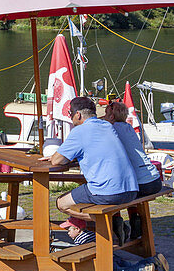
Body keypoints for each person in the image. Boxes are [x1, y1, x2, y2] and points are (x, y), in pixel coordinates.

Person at [48, 96, 138, 242]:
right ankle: (111, 221)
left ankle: (106, 221)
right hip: (131, 189)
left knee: (61, 203)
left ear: (78, 115)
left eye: (71, 114)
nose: (71, 118)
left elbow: (57, 160)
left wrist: (55, 156)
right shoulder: (107, 125)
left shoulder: (79, 131)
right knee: (89, 194)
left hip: (108, 191)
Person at [104, 100, 162, 240]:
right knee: (129, 189)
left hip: (141, 183)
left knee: (111, 192)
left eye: (105, 114)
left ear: (111, 117)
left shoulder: (111, 130)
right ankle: (135, 220)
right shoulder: (128, 128)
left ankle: (117, 222)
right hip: (154, 179)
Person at [56, 218, 169, 271]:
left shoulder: (79, 241)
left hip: (105, 261)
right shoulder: (90, 234)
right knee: (128, 265)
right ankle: (153, 260)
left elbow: (79, 253)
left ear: (77, 229)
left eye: (69, 229)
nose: (67, 232)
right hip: (112, 255)